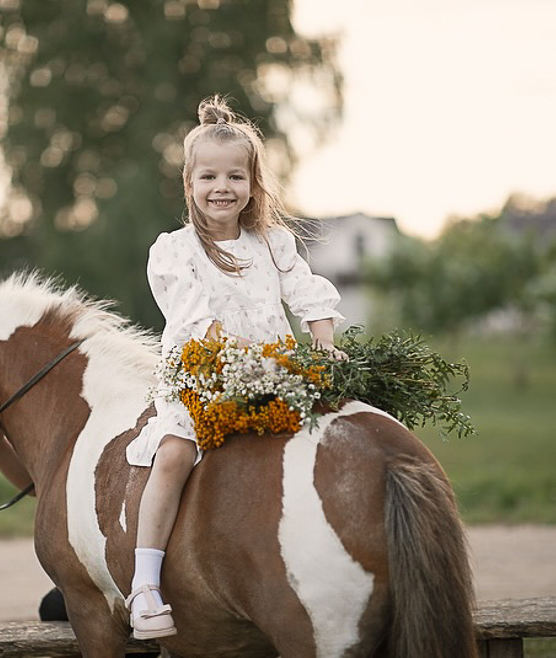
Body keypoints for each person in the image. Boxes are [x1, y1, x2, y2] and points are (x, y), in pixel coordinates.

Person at [124, 95, 347, 640]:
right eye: (208, 176)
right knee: (175, 452)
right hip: (202, 379)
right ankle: (146, 583)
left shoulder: (272, 243)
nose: (221, 187)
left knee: (345, 430)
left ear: (252, 183)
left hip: (275, 377)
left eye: (234, 176)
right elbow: (194, 320)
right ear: (190, 183)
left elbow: (306, 292)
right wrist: (245, 363)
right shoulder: (173, 252)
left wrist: (321, 345)